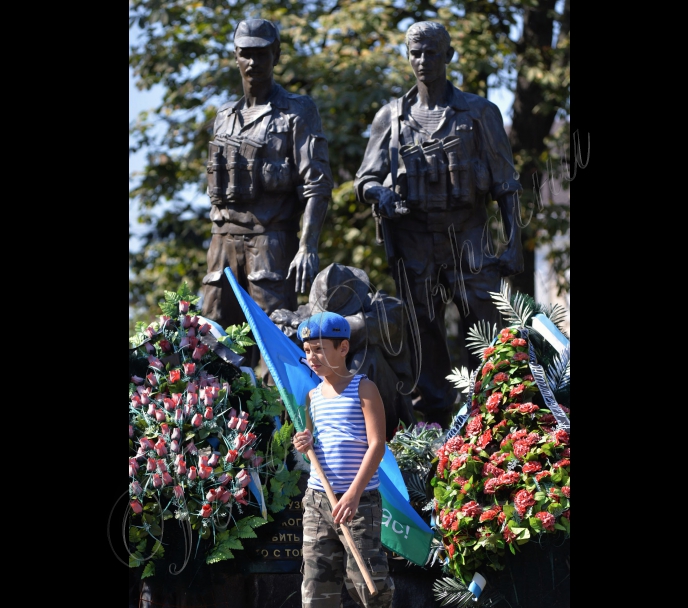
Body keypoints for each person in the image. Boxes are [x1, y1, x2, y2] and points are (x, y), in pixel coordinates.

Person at [354, 21, 524, 428]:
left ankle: (491, 417)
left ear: (448, 56)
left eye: (432, 52)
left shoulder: (480, 113)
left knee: (485, 328)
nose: (423, 60)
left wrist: (514, 241)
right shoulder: (390, 117)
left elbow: (506, 183)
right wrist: (381, 194)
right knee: (423, 336)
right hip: (414, 241)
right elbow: (365, 179)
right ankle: (434, 425)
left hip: (469, 234)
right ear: (407, 57)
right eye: (416, 52)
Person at [200, 18, 333, 342]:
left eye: (261, 53)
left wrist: (307, 246)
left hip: (272, 242)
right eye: (245, 53)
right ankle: (222, 397)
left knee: (277, 338)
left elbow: (317, 183)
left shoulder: (297, 111)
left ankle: (278, 397)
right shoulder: (224, 116)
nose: (252, 62)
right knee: (216, 340)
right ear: (235, 55)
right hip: (222, 244)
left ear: (276, 54)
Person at [292, 311, 398, 608]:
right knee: (318, 579)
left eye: (320, 349)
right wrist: (304, 445)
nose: (313, 357)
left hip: (359, 499)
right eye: (307, 350)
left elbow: (377, 444)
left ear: (343, 347)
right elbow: (314, 445)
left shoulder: (363, 388)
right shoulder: (311, 396)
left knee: (364, 579)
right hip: (319, 498)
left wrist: (354, 493)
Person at [270, 263, 416, 437]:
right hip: (320, 396)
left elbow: (369, 325)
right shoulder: (309, 313)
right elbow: (276, 330)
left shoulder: (384, 307)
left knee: (369, 356)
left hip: (382, 405)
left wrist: (310, 326)